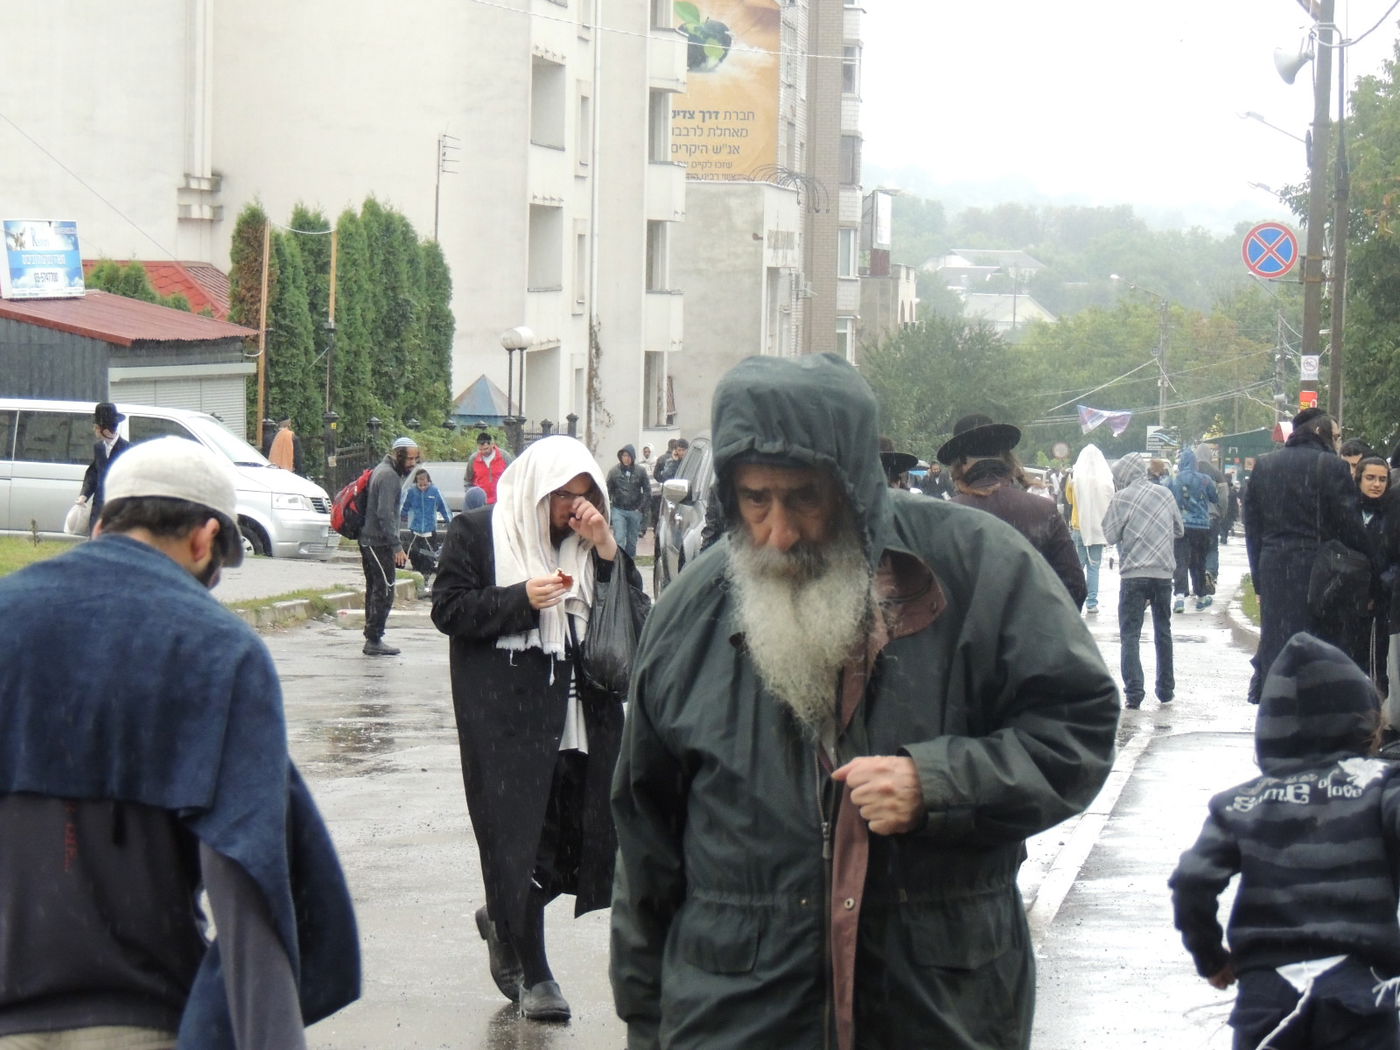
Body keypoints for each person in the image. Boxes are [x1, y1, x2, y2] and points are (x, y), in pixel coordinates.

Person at [609, 354, 1120, 1050]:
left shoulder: (980, 569)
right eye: (756, 500)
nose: (778, 533)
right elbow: (646, 845)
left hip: (938, 1007)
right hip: (735, 1015)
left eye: (804, 499)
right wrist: (645, 1022)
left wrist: (939, 783)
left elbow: (1077, 734)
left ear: (854, 488)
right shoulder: (687, 618)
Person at [0, 437, 359, 1048]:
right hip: (142, 1019)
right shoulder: (218, 649)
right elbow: (250, 884)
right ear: (204, 540)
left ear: (100, 525)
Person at [432, 436, 649, 1023]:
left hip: (586, 712)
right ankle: (536, 972)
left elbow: (636, 616)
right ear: (536, 491)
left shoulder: (591, 545)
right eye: (563, 499)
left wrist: (606, 548)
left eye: (585, 498)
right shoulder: (478, 532)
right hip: (507, 718)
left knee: (580, 838)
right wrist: (521, 599)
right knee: (520, 841)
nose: (573, 511)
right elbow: (448, 609)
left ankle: (502, 913)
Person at [1170, 632, 1400, 1050]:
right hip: (1360, 991)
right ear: (1361, 719)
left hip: (1267, 997)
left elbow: (1192, 881)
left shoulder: (1239, 804)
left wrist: (1212, 957)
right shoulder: (1378, 786)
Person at [1245, 408, 1369, 691]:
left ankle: (1277, 702)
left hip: (1275, 567)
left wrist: (1260, 582)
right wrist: (1369, 563)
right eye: (1336, 436)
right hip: (1318, 571)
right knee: (1318, 646)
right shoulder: (1331, 466)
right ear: (1319, 432)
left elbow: (1253, 530)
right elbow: (1350, 526)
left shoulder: (1265, 465)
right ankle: (1314, 710)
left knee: (1278, 643)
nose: (1338, 443)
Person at [939, 412, 1087, 608]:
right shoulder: (1043, 510)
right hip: (1035, 635)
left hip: (969, 638)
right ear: (1005, 457)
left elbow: (932, 599)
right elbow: (1075, 587)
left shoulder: (946, 517)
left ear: (961, 462)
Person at [1101, 452, 1184, 709]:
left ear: (1122, 477)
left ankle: (1134, 692)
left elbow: (1110, 534)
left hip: (1133, 575)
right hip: (1162, 574)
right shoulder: (1164, 494)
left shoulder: (1121, 498)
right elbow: (1179, 530)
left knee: (1130, 634)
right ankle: (1166, 689)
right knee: (1163, 630)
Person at [360, 436, 419, 656]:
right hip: (378, 542)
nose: (413, 463)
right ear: (398, 455)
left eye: (415, 458)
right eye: (409, 458)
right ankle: (374, 639)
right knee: (384, 590)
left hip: (370, 540)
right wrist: (397, 547)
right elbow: (384, 514)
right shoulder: (389, 476)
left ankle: (372, 636)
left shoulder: (382, 470)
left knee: (375, 589)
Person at [1066, 444, 1114, 615]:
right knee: (1094, 567)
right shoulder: (1105, 480)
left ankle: (1075, 600)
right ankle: (1092, 603)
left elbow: (1069, 500)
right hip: (1097, 529)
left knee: (1078, 567)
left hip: (1079, 528)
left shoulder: (1074, 478)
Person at [1169, 447, 1219, 613]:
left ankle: (1179, 598)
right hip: (1202, 527)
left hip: (1182, 526)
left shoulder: (1176, 480)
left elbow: (1172, 499)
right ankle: (1201, 596)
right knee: (1199, 561)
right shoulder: (1205, 479)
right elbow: (1214, 497)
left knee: (1180, 561)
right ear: (1196, 463)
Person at [76, 401, 131, 534]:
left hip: (118, 511)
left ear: (105, 430)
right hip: (98, 510)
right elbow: (93, 473)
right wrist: (84, 494)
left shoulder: (128, 450)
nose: (93, 430)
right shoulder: (98, 448)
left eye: (95, 427)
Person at [400, 465, 452, 589]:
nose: (423, 487)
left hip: (430, 533)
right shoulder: (411, 492)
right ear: (416, 482)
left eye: (425, 484)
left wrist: (450, 522)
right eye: (420, 484)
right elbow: (404, 507)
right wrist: (402, 516)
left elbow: (444, 508)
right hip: (415, 532)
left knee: (428, 558)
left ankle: (425, 580)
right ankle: (419, 579)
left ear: (429, 481)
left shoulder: (434, 492)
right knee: (416, 556)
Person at [606, 444, 649, 560]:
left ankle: (630, 564)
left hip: (635, 510)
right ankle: (619, 563)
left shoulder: (640, 471)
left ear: (633, 457)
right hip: (618, 509)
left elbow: (647, 490)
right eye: (624, 455)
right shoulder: (614, 472)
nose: (626, 458)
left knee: (632, 541)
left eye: (629, 456)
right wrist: (608, 508)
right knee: (619, 538)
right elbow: (607, 490)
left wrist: (640, 508)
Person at [465, 431, 511, 505]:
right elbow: (468, 481)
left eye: (486, 449)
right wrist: (471, 495)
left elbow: (512, 478)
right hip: (480, 504)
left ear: (492, 444)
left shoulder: (504, 457)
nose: (483, 452)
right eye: (480, 449)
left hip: (500, 502)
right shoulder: (473, 459)